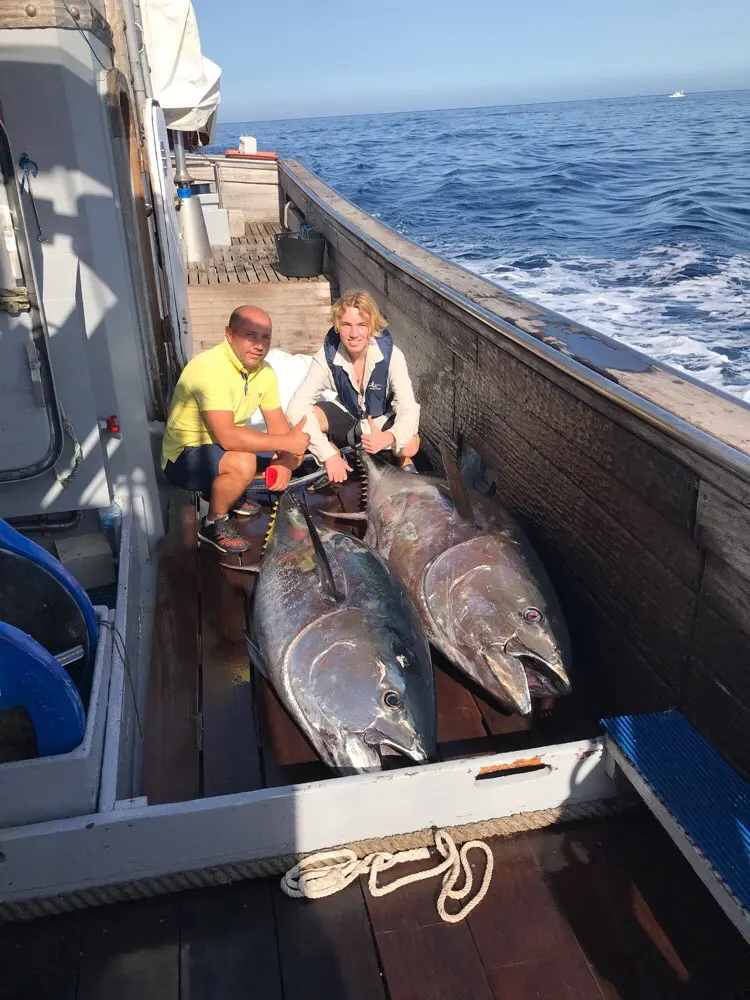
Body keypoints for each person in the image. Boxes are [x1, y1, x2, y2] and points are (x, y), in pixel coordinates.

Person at [160, 305, 310, 554]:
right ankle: (212, 523)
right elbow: (229, 437)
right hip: (183, 457)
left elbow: (281, 431)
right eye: (250, 335)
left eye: (265, 337)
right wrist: (286, 446)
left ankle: (226, 490)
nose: (259, 345)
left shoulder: (264, 372)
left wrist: (285, 461)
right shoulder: (210, 369)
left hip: (217, 447)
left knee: (290, 450)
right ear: (229, 334)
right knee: (244, 463)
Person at [286, 290, 420, 483]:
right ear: (337, 327)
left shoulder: (392, 356)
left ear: (372, 326)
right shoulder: (326, 356)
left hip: (380, 420)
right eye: (346, 325)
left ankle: (403, 460)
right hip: (348, 414)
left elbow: (408, 406)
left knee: (410, 446)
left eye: (361, 325)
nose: (354, 334)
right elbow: (297, 405)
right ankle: (332, 452)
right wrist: (326, 454)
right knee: (301, 418)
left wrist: (389, 437)